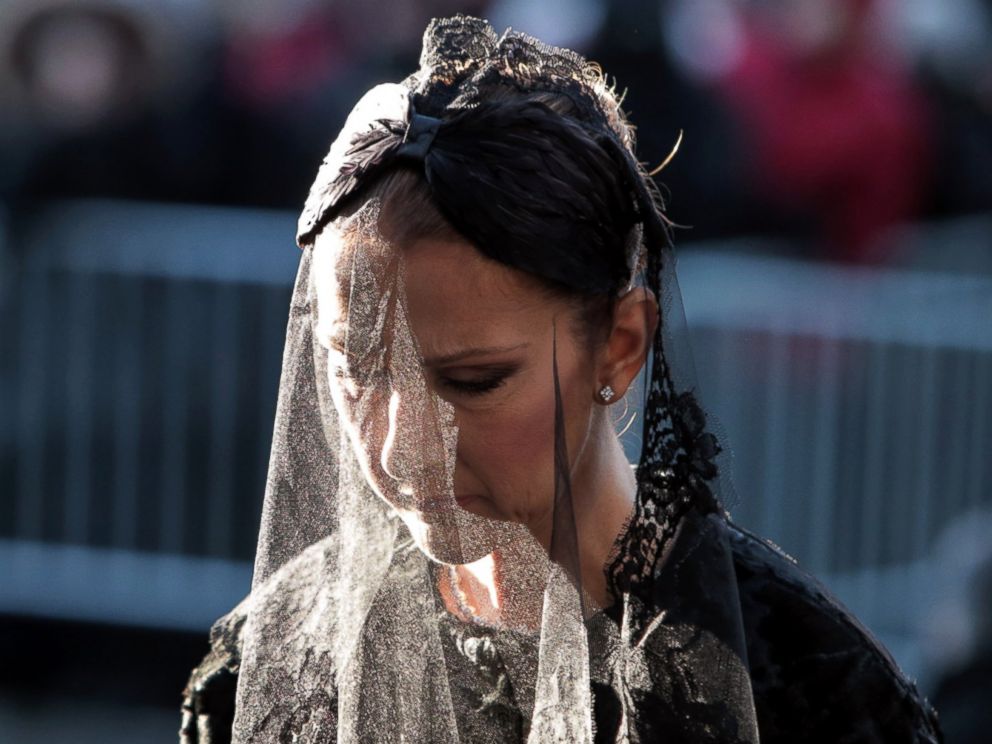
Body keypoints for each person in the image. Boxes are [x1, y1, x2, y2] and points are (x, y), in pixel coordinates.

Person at [180, 16, 942, 743]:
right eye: (354, 373)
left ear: (619, 345)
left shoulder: (801, 682)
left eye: (473, 381)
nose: (399, 448)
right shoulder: (284, 658)